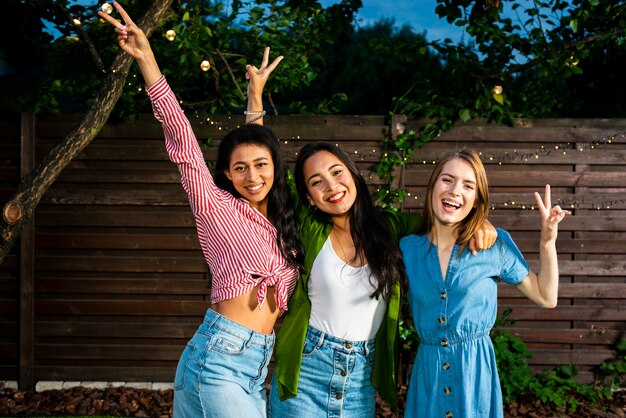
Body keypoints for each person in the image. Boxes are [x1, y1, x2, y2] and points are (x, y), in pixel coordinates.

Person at [98, 3, 303, 416]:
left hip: (256, 364)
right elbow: (181, 137)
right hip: (219, 359)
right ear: (226, 174)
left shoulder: (283, 220)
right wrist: (147, 59)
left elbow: (255, 146)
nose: (252, 176)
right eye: (239, 169)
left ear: (275, 168)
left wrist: (255, 97)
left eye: (261, 166)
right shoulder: (214, 206)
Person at [268, 143, 498, 417]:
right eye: (317, 182)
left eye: (337, 172)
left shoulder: (391, 228)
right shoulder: (308, 226)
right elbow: (266, 174)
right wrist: (254, 104)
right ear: (308, 197)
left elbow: (445, 222)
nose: (331, 185)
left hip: (360, 380)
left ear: (354, 176)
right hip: (307, 373)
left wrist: (482, 222)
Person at [399, 149, 570, 418]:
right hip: (427, 380)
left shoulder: (495, 245)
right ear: (433, 186)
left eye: (468, 185)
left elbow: (546, 297)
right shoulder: (407, 248)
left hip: (475, 377)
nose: (455, 190)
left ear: (477, 200)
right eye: (447, 180)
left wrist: (547, 242)